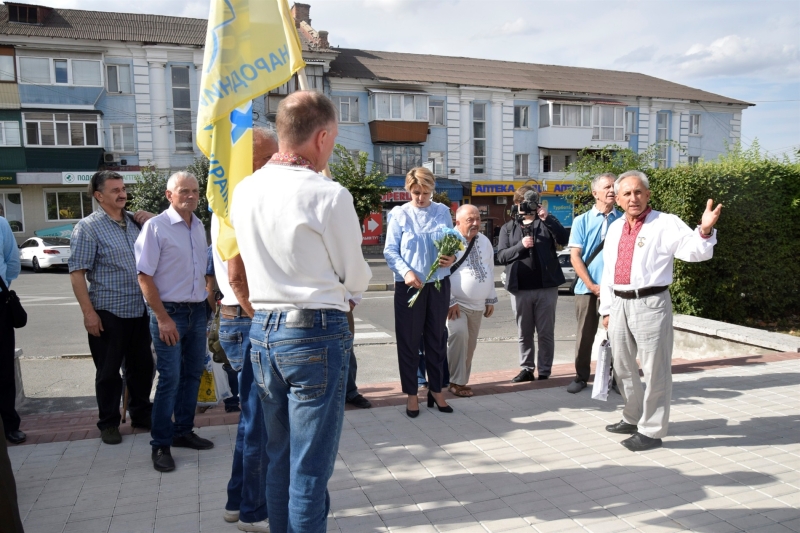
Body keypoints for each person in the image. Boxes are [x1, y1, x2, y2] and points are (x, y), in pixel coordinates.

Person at [230, 90, 371, 533]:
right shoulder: (327, 194)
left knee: (280, 455)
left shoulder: (245, 189)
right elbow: (356, 274)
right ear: (322, 136)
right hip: (314, 331)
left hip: (264, 328)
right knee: (309, 467)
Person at [600, 170, 721, 452]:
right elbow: (608, 272)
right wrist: (606, 309)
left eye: (639, 192)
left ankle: (652, 430)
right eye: (627, 194)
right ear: (617, 199)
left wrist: (703, 231)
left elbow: (695, 252)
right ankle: (632, 416)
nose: (634, 198)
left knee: (655, 370)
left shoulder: (665, 223)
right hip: (618, 303)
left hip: (651, 303)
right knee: (623, 366)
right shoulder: (616, 227)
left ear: (648, 194)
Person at [214, 126, 277, 533]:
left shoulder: (237, 195)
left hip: (246, 318)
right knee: (258, 420)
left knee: (253, 418)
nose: (278, 162)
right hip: (249, 318)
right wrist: (263, 318)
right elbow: (236, 276)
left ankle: (239, 501)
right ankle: (253, 510)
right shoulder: (240, 198)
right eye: (271, 155)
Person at [135, 171, 214, 472]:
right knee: (169, 379)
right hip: (170, 314)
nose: (191, 196)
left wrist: (207, 300)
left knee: (192, 374)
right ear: (169, 195)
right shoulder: (156, 228)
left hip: (196, 311)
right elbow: (144, 276)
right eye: (184, 191)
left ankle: (183, 430)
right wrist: (162, 317)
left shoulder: (198, 226)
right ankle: (160, 445)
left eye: (195, 191)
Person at [69, 171, 155, 445]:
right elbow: (76, 273)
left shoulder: (134, 223)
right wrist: (88, 313)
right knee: (108, 372)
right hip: (108, 312)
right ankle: (108, 423)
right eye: (115, 189)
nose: (122, 193)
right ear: (98, 196)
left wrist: (151, 220)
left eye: (123, 188)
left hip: (139, 310)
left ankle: (141, 414)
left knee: (142, 368)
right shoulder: (88, 227)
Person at [384, 167, 456, 417]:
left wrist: (451, 256)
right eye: (416, 192)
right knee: (409, 341)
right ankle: (412, 393)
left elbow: (452, 242)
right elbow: (390, 250)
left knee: (436, 339)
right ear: (408, 190)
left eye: (426, 192)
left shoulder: (442, 212)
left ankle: (436, 390)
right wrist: (406, 272)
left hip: (437, 283)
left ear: (432, 190)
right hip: (409, 286)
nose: (421, 197)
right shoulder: (399, 214)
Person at [497, 185, 569, 382]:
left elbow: (563, 239)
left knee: (546, 332)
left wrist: (548, 218)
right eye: (523, 203)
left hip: (546, 287)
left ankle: (544, 370)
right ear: (516, 204)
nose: (526, 207)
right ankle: (527, 368)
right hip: (519, 288)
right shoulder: (508, 228)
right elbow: (501, 256)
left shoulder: (545, 223)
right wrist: (521, 246)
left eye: (530, 203)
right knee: (524, 332)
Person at [566, 173, 622, 394]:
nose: (611, 190)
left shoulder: (623, 220)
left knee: (618, 336)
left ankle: (617, 379)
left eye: (614, 187)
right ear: (594, 193)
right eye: (607, 187)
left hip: (617, 290)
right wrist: (592, 285)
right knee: (584, 335)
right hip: (586, 289)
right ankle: (580, 377)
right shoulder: (582, 221)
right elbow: (575, 256)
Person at [446, 204, 497, 397]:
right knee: (459, 336)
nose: (476, 223)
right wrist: (449, 300)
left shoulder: (484, 241)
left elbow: (489, 269)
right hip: (455, 304)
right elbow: (440, 274)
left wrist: (490, 298)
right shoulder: (449, 240)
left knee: (470, 345)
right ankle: (456, 382)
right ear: (457, 222)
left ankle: (459, 380)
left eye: (478, 219)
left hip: (478, 304)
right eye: (470, 220)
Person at [0, 215, 23, 445]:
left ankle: (9, 426)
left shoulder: (0, 224)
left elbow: (12, 262)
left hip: (0, 304)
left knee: (3, 368)